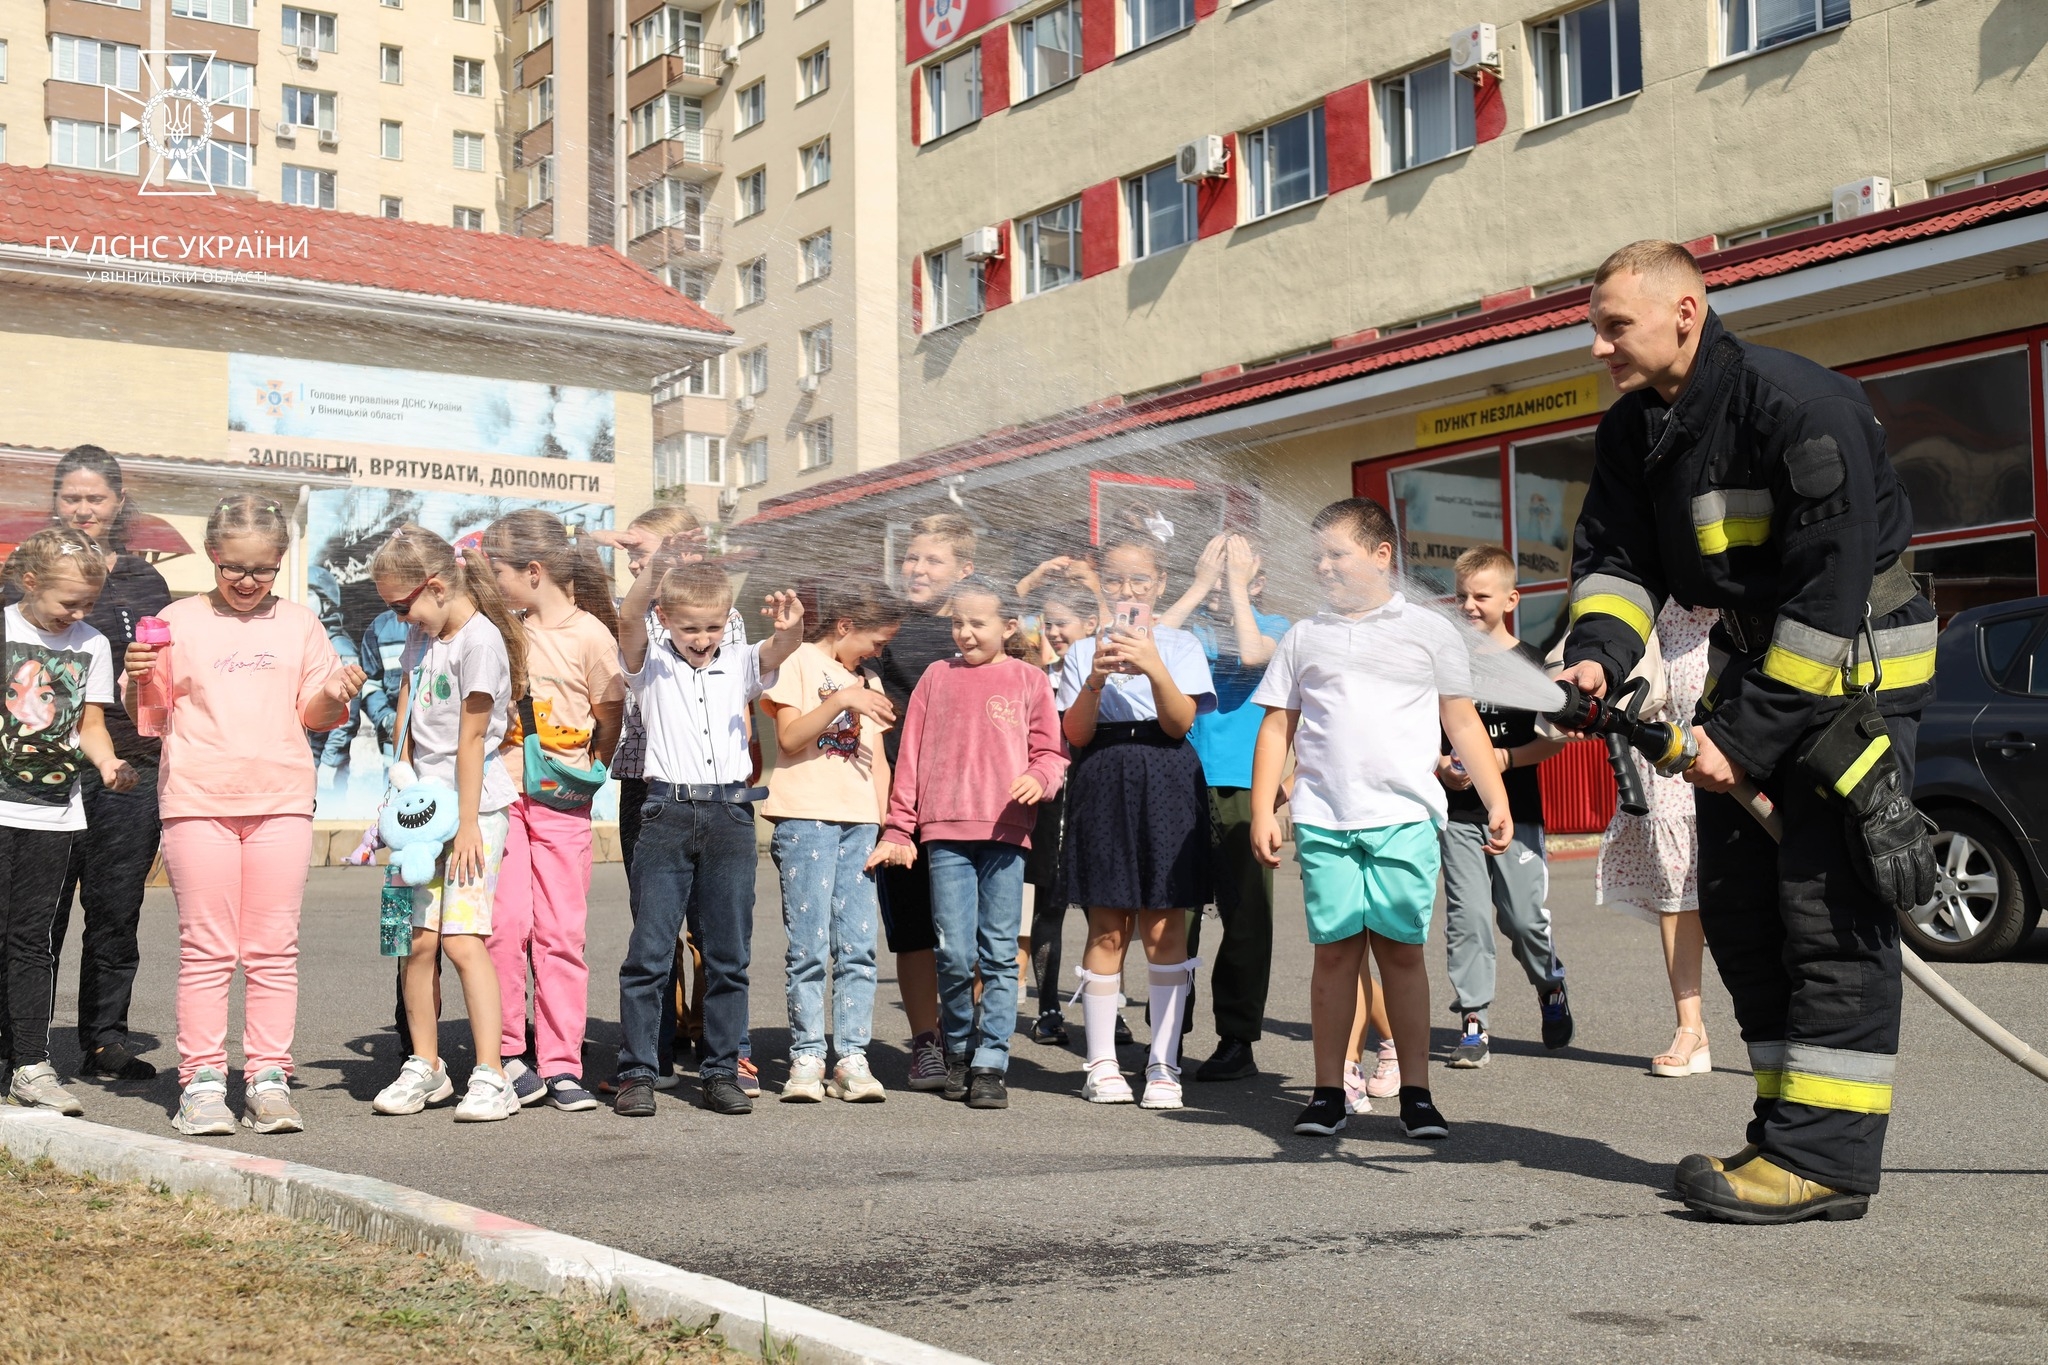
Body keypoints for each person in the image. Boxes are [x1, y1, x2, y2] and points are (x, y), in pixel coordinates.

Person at [1559, 240, 1936, 1223]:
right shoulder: (1633, 431)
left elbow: (1828, 591)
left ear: (1684, 313)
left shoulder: (1797, 407)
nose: (1595, 347)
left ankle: (1823, 1161)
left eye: (1613, 327)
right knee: (1737, 907)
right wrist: (1597, 650)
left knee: (1824, 915)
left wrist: (1749, 737)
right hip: (1756, 674)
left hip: (1850, 677)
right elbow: (1614, 560)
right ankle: (1786, 1134)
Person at [1249, 498, 1511, 1141]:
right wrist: (1263, 808)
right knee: (1335, 957)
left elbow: (1460, 719)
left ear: (1381, 556)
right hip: (1324, 820)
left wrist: (1496, 796)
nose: (1323, 565)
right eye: (1318, 555)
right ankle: (1328, 1093)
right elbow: (1277, 724)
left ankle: (1417, 1095)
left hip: (1404, 817)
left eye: (1336, 553)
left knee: (1400, 953)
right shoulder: (1304, 635)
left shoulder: (1427, 630)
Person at [126, 495, 363, 1136]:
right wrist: (137, 676)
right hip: (198, 800)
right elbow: (150, 719)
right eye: (235, 568)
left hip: (281, 799)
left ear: (281, 562)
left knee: (272, 951)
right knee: (206, 951)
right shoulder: (176, 619)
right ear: (213, 557)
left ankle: (266, 1078)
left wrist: (335, 695)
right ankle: (202, 1080)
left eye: (262, 570)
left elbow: (314, 716)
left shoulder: (300, 624)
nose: (248, 582)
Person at [609, 556, 803, 1118]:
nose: (702, 639)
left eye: (713, 627)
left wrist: (789, 631)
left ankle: (721, 1070)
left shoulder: (739, 661)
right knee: (650, 952)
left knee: (727, 954)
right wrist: (653, 574)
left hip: (730, 816)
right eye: (690, 627)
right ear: (665, 619)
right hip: (665, 812)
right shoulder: (650, 665)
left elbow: (775, 652)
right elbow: (629, 617)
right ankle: (638, 1071)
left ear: (727, 622)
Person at [872, 577, 1067, 1110]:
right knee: (955, 953)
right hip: (944, 835)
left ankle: (990, 1062)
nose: (963, 632)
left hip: (1006, 835)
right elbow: (908, 757)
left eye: (977, 623)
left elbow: (1052, 753)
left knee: (1000, 954)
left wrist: (1040, 779)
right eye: (958, 622)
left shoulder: (1030, 680)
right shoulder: (937, 677)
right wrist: (898, 826)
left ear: (1009, 627)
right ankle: (957, 1049)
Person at [368, 525, 527, 1123]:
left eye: (401, 604)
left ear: (434, 586)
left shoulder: (479, 642)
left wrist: (464, 827)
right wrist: (398, 778)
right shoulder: (421, 634)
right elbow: (407, 700)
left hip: (470, 809)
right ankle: (425, 1066)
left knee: (462, 939)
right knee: (410, 939)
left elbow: (469, 741)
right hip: (414, 809)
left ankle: (490, 1074)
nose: (399, 617)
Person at [1058, 536, 1215, 1111]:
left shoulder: (1180, 644)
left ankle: (1163, 1062)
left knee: (1164, 925)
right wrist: (1097, 677)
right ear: (1101, 585)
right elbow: (1074, 734)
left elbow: (1179, 724)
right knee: (1107, 924)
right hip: (1101, 773)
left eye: (1139, 583)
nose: (1127, 593)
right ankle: (1100, 1063)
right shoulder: (1080, 651)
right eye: (1116, 582)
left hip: (1167, 774)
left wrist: (1151, 666)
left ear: (1160, 585)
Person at [596, 507, 745, 1091]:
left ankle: (724, 1055)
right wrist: (647, 567)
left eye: (644, 550)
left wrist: (669, 564)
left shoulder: (711, 619)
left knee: (717, 932)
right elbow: (628, 617)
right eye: (631, 555)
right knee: (651, 929)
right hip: (648, 786)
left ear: (684, 550)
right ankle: (648, 1058)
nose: (634, 561)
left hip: (714, 793)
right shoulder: (644, 617)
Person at [482, 511, 626, 1113]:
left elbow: (610, 711)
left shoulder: (592, 635)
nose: (492, 584)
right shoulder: (501, 629)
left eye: (499, 573)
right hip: (504, 797)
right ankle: (510, 1052)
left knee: (561, 933)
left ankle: (562, 1062)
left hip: (564, 801)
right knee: (505, 926)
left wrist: (589, 770)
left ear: (533, 571)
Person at [44, 446, 170, 1083]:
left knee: (116, 908)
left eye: (96, 498)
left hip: (128, 767)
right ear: (55, 501)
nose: (84, 509)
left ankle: (105, 1038)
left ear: (118, 504)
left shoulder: (145, 583)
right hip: (43, 768)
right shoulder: (25, 574)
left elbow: (165, 680)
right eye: (72, 497)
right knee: (36, 911)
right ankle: (23, 1039)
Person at [0, 529, 135, 1115]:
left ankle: (30, 1064)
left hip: (53, 812)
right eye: (68, 604)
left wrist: (107, 763)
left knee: (30, 941)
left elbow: (90, 724)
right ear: (30, 583)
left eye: (87, 605)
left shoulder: (93, 643)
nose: (78, 615)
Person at [759, 577, 902, 1104]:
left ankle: (852, 1057)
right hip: (806, 820)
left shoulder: (869, 680)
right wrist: (842, 699)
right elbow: (792, 739)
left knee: (859, 947)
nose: (878, 653)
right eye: (876, 642)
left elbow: (879, 761)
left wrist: (889, 826)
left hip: (860, 824)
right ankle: (806, 1056)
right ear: (845, 626)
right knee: (810, 946)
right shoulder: (797, 662)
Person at [1158, 532, 1288, 1082]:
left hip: (1246, 787)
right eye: (1214, 566)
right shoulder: (1187, 629)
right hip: (1182, 781)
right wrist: (1200, 585)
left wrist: (1235, 588)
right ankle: (1168, 1035)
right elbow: (1149, 641)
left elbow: (1256, 652)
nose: (1222, 578)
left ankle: (1238, 1039)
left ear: (1259, 579)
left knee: (1246, 917)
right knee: (1174, 916)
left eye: (1238, 569)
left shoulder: (1279, 628)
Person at [1434, 545, 1571, 1069]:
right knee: (1467, 919)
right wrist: (1442, 766)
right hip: (1458, 815)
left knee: (1522, 920)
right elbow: (1430, 731)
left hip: (1520, 814)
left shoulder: (1532, 663)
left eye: (1481, 596)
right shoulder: (1448, 663)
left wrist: (1505, 758)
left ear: (1511, 599)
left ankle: (1550, 983)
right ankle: (1473, 1022)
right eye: (1462, 595)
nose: (1469, 605)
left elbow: (1556, 740)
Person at [874, 513, 978, 1092]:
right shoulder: (889, 627)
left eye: (931, 560)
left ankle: (967, 1038)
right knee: (912, 928)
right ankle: (927, 1042)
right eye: (910, 558)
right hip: (902, 801)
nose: (915, 569)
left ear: (965, 570)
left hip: (968, 798)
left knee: (971, 930)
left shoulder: (977, 628)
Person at [1597, 601, 1723, 1078]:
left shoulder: (1741, 599)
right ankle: (1690, 1029)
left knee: (1756, 895)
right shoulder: (1654, 600)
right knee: (1676, 896)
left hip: (1736, 758)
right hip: (1663, 765)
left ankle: (1782, 1027)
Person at [1017, 578, 1102, 1046]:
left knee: (1102, 911)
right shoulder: (1036, 675)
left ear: (1092, 624)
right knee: (1048, 907)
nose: (1053, 631)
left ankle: (1104, 1007)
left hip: (1096, 801)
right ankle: (1048, 1007)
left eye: (1063, 622)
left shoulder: (1111, 672)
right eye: (1047, 623)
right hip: (1052, 806)